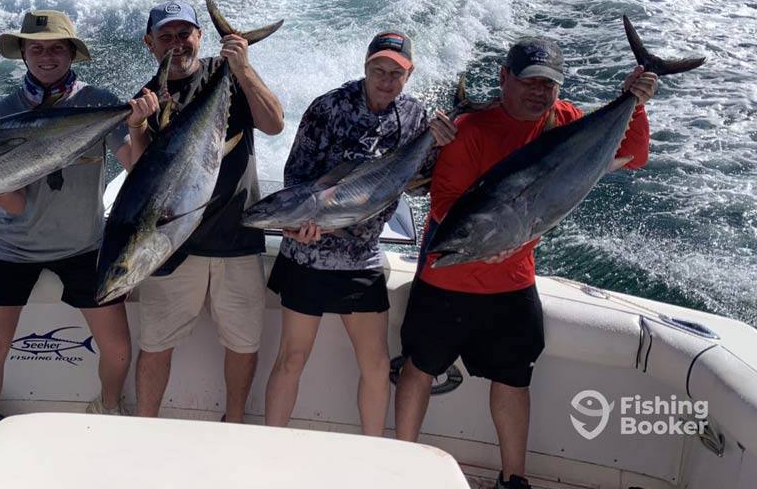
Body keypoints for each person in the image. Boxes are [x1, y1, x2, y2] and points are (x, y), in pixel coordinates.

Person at [395, 36, 658, 489]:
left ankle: (514, 479)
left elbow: (633, 157)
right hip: (447, 282)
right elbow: (445, 206)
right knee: (419, 368)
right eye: (529, 81)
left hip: (512, 285)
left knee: (514, 380)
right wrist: (496, 242)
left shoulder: (565, 120)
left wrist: (634, 101)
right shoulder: (472, 128)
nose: (539, 92)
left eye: (549, 84)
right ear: (504, 78)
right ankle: (401, 467)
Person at [0, 10, 149, 456]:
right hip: (14, 247)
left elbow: (137, 169)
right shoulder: (1, 113)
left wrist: (139, 123)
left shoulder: (99, 102)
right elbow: (17, 203)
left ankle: (107, 408)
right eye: (37, 48)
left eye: (56, 48)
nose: (47, 56)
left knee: (119, 348)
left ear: (71, 54)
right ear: (23, 54)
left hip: (84, 245)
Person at [263, 31, 455, 436]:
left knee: (375, 363)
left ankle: (373, 452)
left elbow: (420, 182)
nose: (385, 80)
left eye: (395, 73)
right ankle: (271, 447)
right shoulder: (328, 108)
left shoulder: (417, 118)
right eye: (377, 70)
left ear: (409, 75)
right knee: (292, 359)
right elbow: (296, 176)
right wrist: (295, 228)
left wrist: (439, 146)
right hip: (308, 257)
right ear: (365, 67)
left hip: (362, 257)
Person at [127, 0, 283, 422]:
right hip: (173, 245)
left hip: (238, 236)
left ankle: (233, 422)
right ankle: (145, 427)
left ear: (200, 36)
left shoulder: (228, 74)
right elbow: (141, 173)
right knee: (156, 344)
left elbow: (274, 124)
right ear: (149, 42)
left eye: (185, 34)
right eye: (166, 36)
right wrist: (137, 125)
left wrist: (245, 67)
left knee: (243, 344)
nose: (177, 44)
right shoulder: (147, 96)